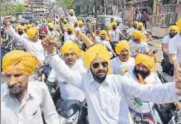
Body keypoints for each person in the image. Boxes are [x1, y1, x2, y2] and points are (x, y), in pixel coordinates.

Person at [42, 37, 181, 124]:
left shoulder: (119, 81)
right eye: (95, 65)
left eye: (104, 64)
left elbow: (147, 91)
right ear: (89, 67)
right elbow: (65, 73)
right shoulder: (84, 81)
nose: (100, 68)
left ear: (108, 65)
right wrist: (51, 53)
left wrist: (175, 88)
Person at [1, 50, 59, 124]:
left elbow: (51, 115)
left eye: (17, 75)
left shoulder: (40, 89)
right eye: (8, 76)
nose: (12, 82)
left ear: (28, 75)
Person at [125, 54, 162, 123]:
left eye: (144, 67)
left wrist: (176, 102)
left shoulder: (153, 76)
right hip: (131, 111)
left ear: (149, 68)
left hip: (149, 110)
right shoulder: (128, 76)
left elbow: (162, 90)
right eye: (138, 65)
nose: (140, 69)